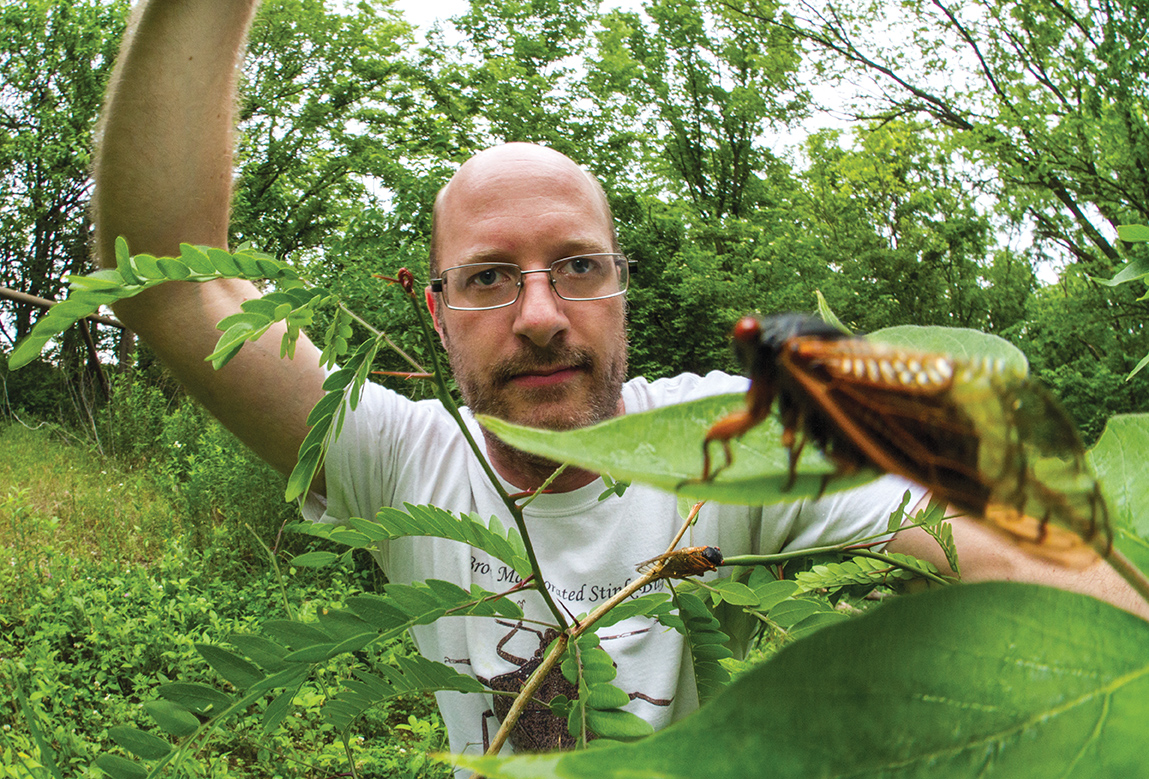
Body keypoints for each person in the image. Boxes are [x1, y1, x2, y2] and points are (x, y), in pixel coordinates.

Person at [93, 0, 1147, 760]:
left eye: (580, 267)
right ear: (435, 309)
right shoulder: (402, 454)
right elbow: (170, 282)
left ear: (622, 290)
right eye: (492, 277)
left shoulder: (709, 438)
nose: (543, 314)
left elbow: (988, 526)